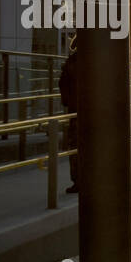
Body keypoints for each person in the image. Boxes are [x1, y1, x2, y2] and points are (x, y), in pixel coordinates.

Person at [58, 36, 80, 194]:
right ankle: (79, 180)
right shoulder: (71, 62)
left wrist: (67, 100)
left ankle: (79, 181)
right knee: (76, 145)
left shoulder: (71, 62)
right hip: (77, 108)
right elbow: (63, 83)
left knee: (76, 145)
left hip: (77, 108)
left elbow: (63, 83)